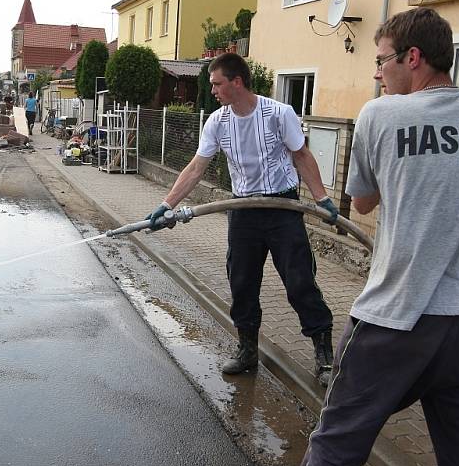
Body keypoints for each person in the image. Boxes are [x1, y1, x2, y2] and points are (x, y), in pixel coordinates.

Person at [291, 8, 459, 466]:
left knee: (335, 448)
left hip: (395, 319)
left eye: (381, 61)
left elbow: (361, 202)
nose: (377, 73)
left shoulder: (382, 115)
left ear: (413, 58)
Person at [145, 53, 339, 386]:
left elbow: (302, 155)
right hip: (244, 211)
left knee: (299, 281)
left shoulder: (279, 114)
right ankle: (248, 350)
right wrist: (167, 204)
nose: (213, 90)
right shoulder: (217, 121)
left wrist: (321, 198)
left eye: (217, 83)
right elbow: (196, 167)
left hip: (282, 209)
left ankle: (324, 354)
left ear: (237, 82)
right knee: (242, 282)